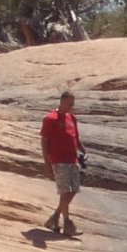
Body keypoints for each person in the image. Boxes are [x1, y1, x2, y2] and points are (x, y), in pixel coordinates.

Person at [40, 91, 86, 236]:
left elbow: (76, 138)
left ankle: (53, 218)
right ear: (62, 100)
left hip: (72, 159)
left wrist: (84, 151)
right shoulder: (50, 118)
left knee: (72, 191)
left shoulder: (72, 117)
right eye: (70, 104)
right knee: (65, 191)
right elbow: (44, 141)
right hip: (59, 160)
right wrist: (47, 163)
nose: (71, 107)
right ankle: (67, 224)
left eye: (73, 104)